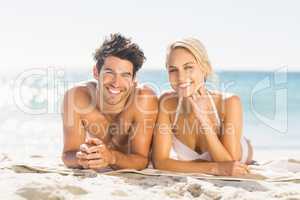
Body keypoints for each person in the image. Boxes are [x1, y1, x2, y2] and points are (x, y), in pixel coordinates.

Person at [152, 38, 253, 176]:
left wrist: (204, 120)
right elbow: (161, 162)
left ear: (205, 68)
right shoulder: (167, 103)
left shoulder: (229, 102)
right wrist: (215, 168)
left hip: (242, 151)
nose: (181, 77)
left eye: (188, 67)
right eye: (173, 70)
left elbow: (230, 164)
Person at [62, 33, 158, 170]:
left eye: (125, 75)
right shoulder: (76, 97)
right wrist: (83, 158)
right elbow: (68, 154)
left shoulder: (143, 100)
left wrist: (111, 157)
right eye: (109, 72)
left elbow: (141, 160)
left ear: (134, 79)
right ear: (96, 72)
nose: (116, 83)